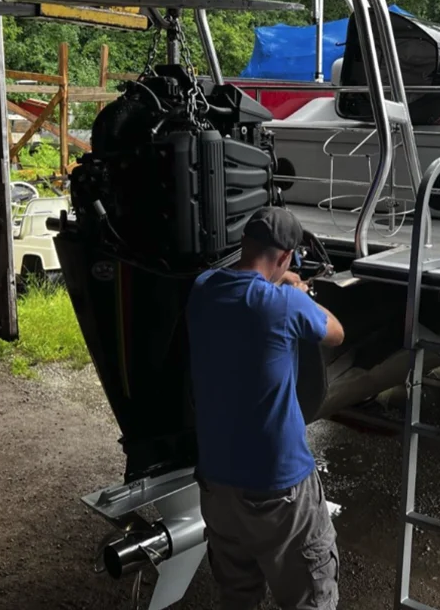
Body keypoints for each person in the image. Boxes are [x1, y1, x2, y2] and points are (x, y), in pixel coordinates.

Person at [186, 206, 346, 610]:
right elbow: (335, 334)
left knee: (238, 598)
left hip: (217, 487)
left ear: (245, 244)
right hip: (279, 489)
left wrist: (280, 282)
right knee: (312, 595)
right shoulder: (283, 305)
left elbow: (244, 283)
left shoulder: (203, 289)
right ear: (285, 257)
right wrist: (298, 291)